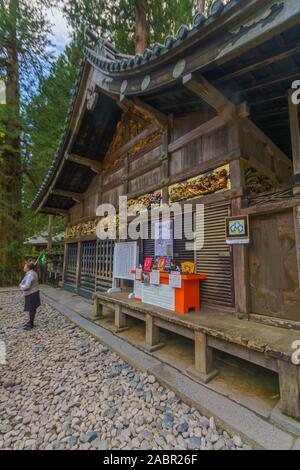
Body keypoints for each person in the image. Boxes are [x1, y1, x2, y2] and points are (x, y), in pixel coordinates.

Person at [19, 261, 41, 331]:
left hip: (31, 293)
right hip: (34, 292)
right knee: (32, 308)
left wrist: (21, 286)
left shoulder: (30, 275)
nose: (24, 267)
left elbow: (27, 286)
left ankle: (31, 324)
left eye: (25, 266)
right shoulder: (33, 273)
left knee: (31, 308)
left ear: (28, 268)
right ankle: (30, 322)